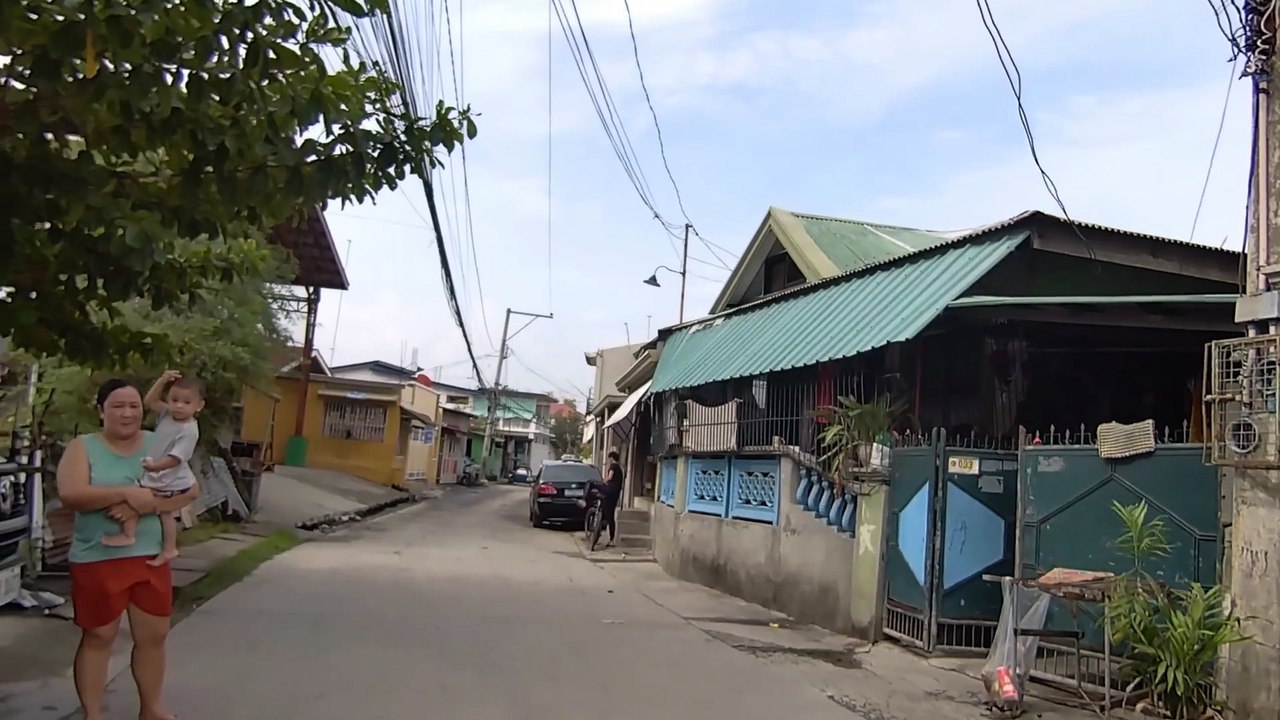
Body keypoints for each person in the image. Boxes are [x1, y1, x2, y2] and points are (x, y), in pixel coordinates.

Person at [57, 378, 200, 720]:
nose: (127, 413)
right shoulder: (83, 446)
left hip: (149, 557)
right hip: (98, 557)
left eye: (134, 406)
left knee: (153, 636)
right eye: (118, 406)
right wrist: (125, 494)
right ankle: (93, 713)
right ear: (101, 411)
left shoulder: (158, 442)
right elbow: (72, 494)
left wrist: (143, 506)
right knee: (99, 635)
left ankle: (151, 709)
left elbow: (190, 491)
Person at [101, 370, 203, 566]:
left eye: (186, 402)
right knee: (161, 512)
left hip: (168, 478)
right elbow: (150, 401)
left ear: (199, 406)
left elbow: (176, 458)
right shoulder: (167, 414)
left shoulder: (189, 430)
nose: (179, 405)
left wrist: (156, 466)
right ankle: (163, 546)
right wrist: (162, 380)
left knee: (142, 503)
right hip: (159, 475)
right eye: (174, 399)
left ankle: (136, 537)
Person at [600, 450, 625, 546]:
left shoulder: (613, 467)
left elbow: (610, 477)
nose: (608, 461)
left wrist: (603, 481)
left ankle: (600, 525)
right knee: (611, 516)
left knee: (604, 507)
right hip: (615, 494)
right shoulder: (620, 469)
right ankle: (611, 538)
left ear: (611, 458)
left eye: (609, 459)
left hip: (610, 492)